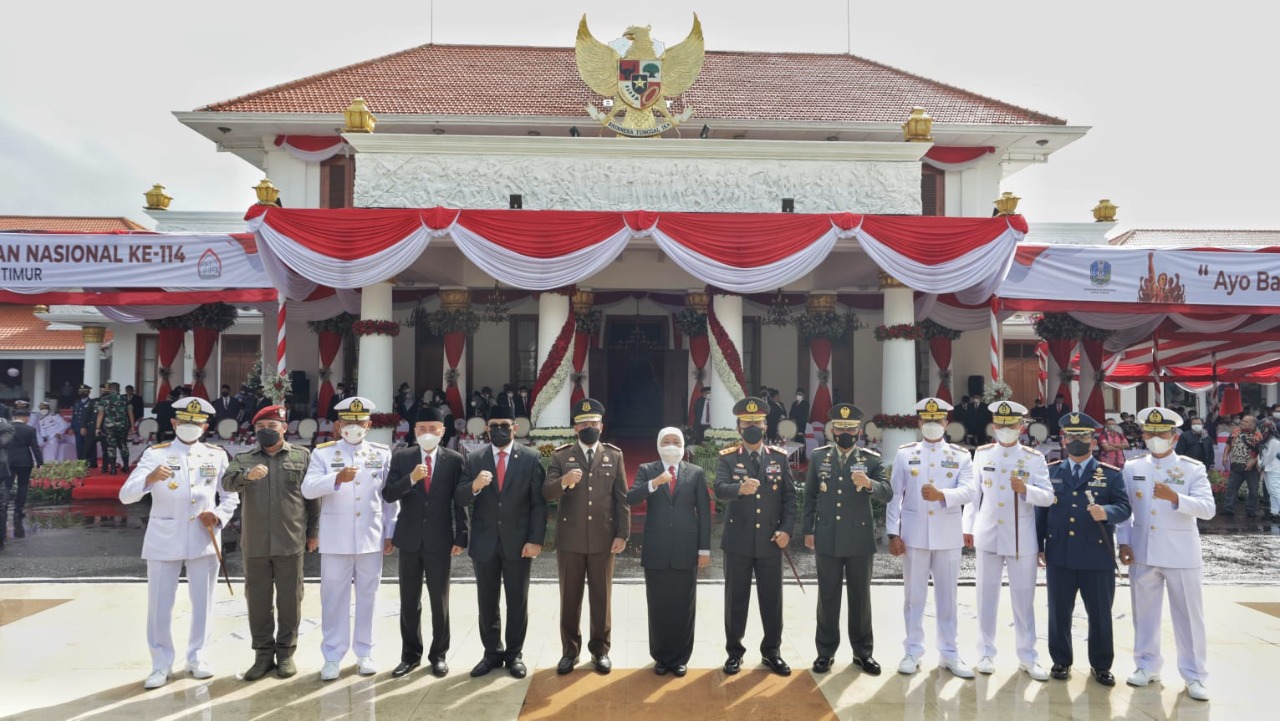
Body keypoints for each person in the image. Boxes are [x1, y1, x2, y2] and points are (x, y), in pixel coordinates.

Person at [118, 397, 239, 689]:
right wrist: (148, 479)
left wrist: (219, 516)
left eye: (196, 423)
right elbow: (126, 495)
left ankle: (198, 658)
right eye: (184, 422)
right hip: (164, 538)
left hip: (203, 538)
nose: (190, 427)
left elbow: (231, 496)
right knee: (160, 604)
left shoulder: (217, 455)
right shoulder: (155, 454)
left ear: (205, 426)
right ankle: (160, 664)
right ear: (174, 424)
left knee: (204, 603)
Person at [1117, 407, 1214, 702]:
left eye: (1162, 433)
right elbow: (1125, 511)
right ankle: (1146, 665)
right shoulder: (1133, 468)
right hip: (1143, 551)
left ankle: (1195, 674)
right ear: (1144, 435)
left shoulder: (1191, 468)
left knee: (1188, 617)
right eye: (1151, 433)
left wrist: (1177, 498)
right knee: (1144, 614)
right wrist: (1123, 541)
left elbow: (1208, 509)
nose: (1156, 438)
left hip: (1181, 554)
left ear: (1174, 436)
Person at [303, 397, 397, 681]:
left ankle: (365, 652)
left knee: (369, 596)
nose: (353, 427)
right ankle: (332, 655)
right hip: (336, 539)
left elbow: (389, 498)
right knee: (333, 598)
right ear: (338, 425)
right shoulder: (322, 454)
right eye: (347, 422)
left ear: (368, 425)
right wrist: (335, 478)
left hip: (371, 536)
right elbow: (308, 489)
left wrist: (390, 531)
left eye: (359, 423)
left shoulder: (382, 453)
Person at [222, 405, 319, 681]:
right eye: (261, 427)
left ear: (284, 428)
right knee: (258, 600)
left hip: (291, 540)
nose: (266, 431)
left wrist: (314, 532)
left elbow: (313, 499)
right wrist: (246, 477)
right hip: (255, 543)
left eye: (271, 426)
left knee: (290, 599)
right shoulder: (244, 458)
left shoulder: (302, 457)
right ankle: (263, 654)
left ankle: (286, 652)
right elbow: (226, 483)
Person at [961, 401, 1054, 680]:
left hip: (1021, 536)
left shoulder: (1033, 458)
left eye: (1010, 424)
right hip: (988, 533)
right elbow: (973, 495)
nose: (1004, 429)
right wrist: (968, 526)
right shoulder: (983, 453)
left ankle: (1028, 656)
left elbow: (1048, 496)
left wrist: (1027, 490)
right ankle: (986, 652)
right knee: (985, 596)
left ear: (1021, 426)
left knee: (1024, 599)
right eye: (999, 424)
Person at [1037, 411, 1130, 686]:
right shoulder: (1050, 471)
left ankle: (1101, 665)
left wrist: (1107, 512)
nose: (1077, 440)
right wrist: (1038, 545)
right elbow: (1040, 512)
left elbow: (1124, 507)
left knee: (1100, 613)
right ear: (1063, 440)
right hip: (1060, 553)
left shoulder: (1110, 475)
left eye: (1084, 436)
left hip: (1096, 555)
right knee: (1059, 612)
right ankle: (1061, 661)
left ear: (1093, 440)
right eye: (1072, 436)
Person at [886, 397, 977, 678]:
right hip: (913, 536)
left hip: (948, 536)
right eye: (928, 420)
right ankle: (913, 650)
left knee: (948, 598)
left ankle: (949, 653)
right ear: (919, 423)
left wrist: (943, 496)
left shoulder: (961, 456)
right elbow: (894, 496)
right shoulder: (905, 453)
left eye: (938, 421)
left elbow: (970, 491)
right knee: (914, 597)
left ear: (947, 423)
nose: (933, 425)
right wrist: (892, 532)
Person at [455, 405, 546, 679]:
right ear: (486, 428)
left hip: (518, 543)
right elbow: (459, 498)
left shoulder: (531, 457)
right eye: (493, 425)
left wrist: (535, 540)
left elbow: (538, 504)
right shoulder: (474, 458)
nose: (499, 430)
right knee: (487, 601)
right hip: (485, 542)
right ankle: (492, 653)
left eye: (504, 425)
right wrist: (474, 486)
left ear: (515, 428)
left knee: (517, 600)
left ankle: (514, 654)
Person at [803, 403, 891, 676]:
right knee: (827, 597)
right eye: (839, 428)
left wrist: (869, 484)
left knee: (860, 597)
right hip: (827, 536)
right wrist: (808, 530)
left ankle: (863, 652)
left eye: (850, 428)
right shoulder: (819, 458)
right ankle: (825, 652)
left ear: (858, 431)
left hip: (859, 538)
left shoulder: (871, 459)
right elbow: (810, 496)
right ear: (832, 430)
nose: (844, 432)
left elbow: (887, 493)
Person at [544, 398, 629, 675]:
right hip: (570, 539)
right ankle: (570, 651)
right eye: (583, 424)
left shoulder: (614, 455)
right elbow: (546, 492)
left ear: (601, 426)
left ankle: (600, 650)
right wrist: (563, 482)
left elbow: (622, 499)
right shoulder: (561, 456)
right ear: (574, 429)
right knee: (570, 597)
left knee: (601, 597)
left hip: (604, 538)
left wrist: (623, 533)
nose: (588, 427)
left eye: (593, 423)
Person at [383, 404, 469, 678]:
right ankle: (410, 655)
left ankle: (439, 654)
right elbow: (388, 494)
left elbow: (460, 501)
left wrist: (461, 535)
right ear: (414, 432)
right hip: (408, 540)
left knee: (438, 600)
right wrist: (411, 478)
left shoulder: (455, 459)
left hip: (440, 539)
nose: (427, 433)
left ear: (443, 431)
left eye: (433, 429)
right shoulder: (402, 457)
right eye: (422, 429)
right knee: (409, 601)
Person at [715, 397, 796, 677]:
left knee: (771, 599)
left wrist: (786, 530)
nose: (753, 426)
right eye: (747, 423)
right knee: (736, 599)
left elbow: (790, 497)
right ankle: (734, 652)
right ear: (738, 427)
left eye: (757, 423)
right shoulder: (727, 458)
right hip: (737, 541)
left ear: (765, 426)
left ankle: (772, 651)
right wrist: (740, 490)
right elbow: (719, 489)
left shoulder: (779, 457)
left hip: (771, 541)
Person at [627, 426, 710, 676]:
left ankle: (681, 656)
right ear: (658, 444)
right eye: (666, 441)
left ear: (683, 445)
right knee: (659, 605)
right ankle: (661, 657)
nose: (671, 445)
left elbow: (704, 512)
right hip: (657, 549)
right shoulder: (647, 470)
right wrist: (654, 483)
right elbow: (631, 498)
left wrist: (704, 549)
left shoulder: (695, 472)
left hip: (687, 548)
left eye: (676, 441)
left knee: (683, 606)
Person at [4, 401, 42, 528]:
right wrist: (40, 462)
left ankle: (3, 506)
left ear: (14, 417)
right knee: (23, 485)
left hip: (8, 461)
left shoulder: (6, 428)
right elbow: (35, 447)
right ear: (25, 418)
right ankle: (18, 510)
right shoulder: (30, 429)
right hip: (25, 461)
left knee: (7, 485)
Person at [1222, 414, 1262, 517]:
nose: (1242, 423)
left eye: (1246, 422)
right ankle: (1228, 508)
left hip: (1251, 467)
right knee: (1231, 488)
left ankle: (1250, 510)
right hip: (1236, 465)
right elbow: (1228, 444)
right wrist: (1225, 456)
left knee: (1253, 490)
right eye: (1242, 421)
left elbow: (1262, 452)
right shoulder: (1235, 432)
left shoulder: (1258, 435)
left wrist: (1253, 462)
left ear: (1253, 424)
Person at [95, 382, 133, 474]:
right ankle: (126, 467)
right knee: (123, 445)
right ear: (119, 389)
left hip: (109, 427)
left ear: (110, 389)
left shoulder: (104, 400)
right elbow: (130, 412)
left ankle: (112, 469)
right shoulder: (125, 399)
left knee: (111, 447)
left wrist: (97, 428)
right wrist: (132, 426)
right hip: (123, 426)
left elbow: (100, 414)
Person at [70, 384, 96, 463]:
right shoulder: (77, 402)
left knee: (89, 446)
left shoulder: (92, 402)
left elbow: (93, 416)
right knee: (79, 447)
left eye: (84, 392)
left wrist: (86, 427)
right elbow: (74, 416)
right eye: (80, 392)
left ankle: (91, 462)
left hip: (88, 428)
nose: (82, 393)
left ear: (88, 392)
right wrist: (72, 427)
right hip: (78, 428)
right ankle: (80, 462)